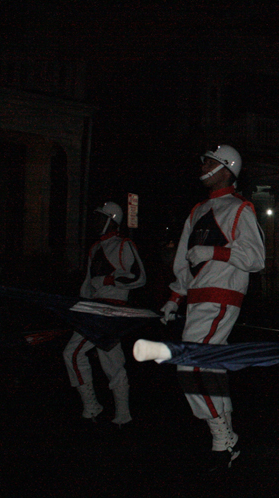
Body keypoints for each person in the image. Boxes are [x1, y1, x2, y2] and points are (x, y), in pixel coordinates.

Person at [160, 145, 265, 471]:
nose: (203, 166)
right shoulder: (198, 210)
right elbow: (183, 261)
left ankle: (223, 436)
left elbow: (256, 258)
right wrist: (174, 297)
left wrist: (214, 252)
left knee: (190, 365)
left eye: (209, 162)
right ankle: (226, 436)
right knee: (210, 366)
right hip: (197, 299)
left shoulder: (240, 208)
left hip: (222, 296)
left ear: (226, 169)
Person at [62, 201, 146, 426]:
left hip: (110, 311)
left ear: (112, 221)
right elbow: (87, 285)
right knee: (111, 361)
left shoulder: (124, 245)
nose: (96, 222)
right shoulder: (95, 248)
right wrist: (81, 309)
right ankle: (122, 415)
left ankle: (92, 407)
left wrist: (109, 280)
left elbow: (139, 277)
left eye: (101, 218)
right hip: (95, 310)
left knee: (73, 354)